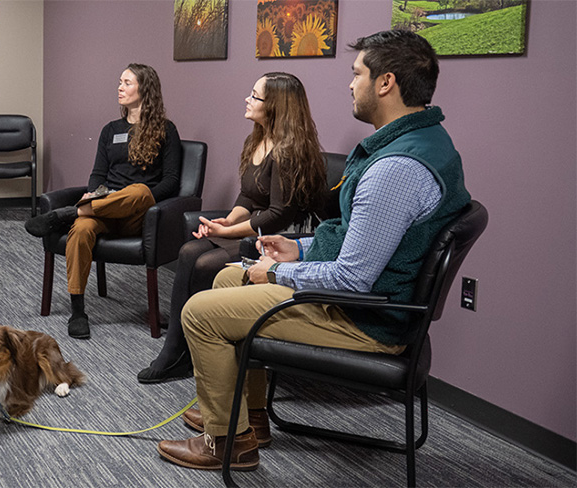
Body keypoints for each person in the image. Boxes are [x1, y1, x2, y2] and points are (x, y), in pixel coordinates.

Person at [156, 30, 470, 472]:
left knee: (200, 313)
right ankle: (252, 419)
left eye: (356, 73)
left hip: (365, 318)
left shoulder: (395, 170)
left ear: (386, 83)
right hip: (369, 299)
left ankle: (227, 441)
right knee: (227, 275)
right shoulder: (420, 142)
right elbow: (354, 235)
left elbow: (353, 278)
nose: (350, 84)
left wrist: (279, 274)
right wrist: (299, 247)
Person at [137, 72, 326, 383]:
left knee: (205, 262)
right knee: (188, 252)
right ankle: (177, 350)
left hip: (283, 237)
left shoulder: (289, 150)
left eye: (255, 96)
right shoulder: (257, 139)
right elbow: (249, 195)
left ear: (276, 106)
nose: (247, 100)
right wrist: (229, 219)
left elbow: (278, 214)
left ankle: (185, 350)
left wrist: (225, 233)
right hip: (257, 229)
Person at [24, 63, 183, 339]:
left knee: (138, 191)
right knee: (82, 229)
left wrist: (144, 198)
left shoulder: (166, 131)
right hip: (103, 210)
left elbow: (171, 182)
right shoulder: (110, 130)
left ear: (145, 89)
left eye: (127, 83)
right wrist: (94, 193)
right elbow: (98, 174)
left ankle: (69, 213)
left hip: (139, 214)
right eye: (119, 82)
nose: (120, 87)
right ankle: (78, 311)